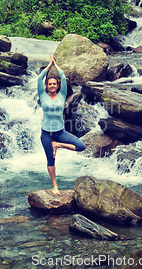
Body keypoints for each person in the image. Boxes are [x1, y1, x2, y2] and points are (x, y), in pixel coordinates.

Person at [38, 54, 86, 195]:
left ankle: (57, 145)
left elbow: (63, 77)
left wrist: (56, 66)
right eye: (50, 84)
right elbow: (39, 78)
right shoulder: (42, 95)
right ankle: (55, 186)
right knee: (50, 160)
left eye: (54, 83)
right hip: (46, 133)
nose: (52, 85)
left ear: (57, 85)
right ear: (47, 86)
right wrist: (48, 66)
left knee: (81, 146)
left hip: (60, 133)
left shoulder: (62, 94)